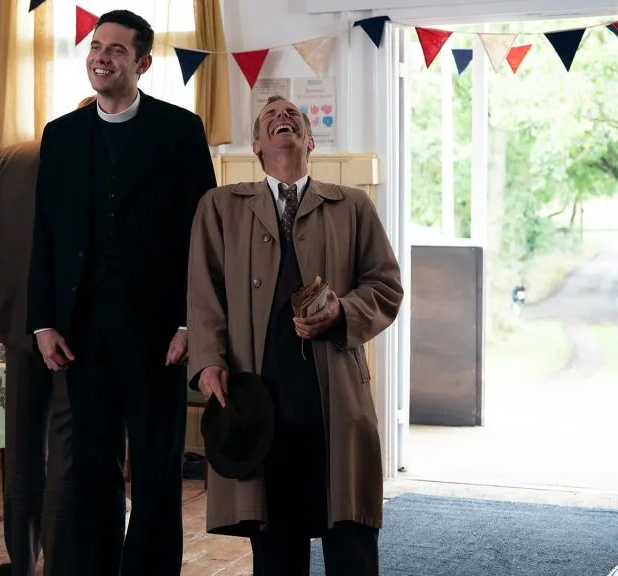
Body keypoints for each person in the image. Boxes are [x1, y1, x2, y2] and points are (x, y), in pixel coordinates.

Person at [26, 9, 216, 576]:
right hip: (81, 333)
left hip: (160, 334)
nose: (101, 57)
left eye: (115, 49)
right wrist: (43, 322)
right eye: (95, 46)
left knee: (157, 468)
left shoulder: (180, 130)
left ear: (143, 63)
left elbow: (202, 237)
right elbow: (45, 235)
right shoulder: (60, 136)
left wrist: (191, 323)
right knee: (89, 469)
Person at [185, 96, 403, 575]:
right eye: (270, 117)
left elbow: (385, 286)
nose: (282, 117)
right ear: (256, 146)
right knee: (276, 544)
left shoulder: (353, 205)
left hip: (334, 397)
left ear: (310, 141)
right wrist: (208, 360)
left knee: (351, 534)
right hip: (259, 398)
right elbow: (203, 295)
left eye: (292, 116)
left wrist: (342, 311)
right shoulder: (219, 207)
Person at [0, 95, 96, 576]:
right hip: (76, 329)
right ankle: (60, 565)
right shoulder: (99, 158)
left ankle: (21, 564)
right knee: (65, 453)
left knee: (22, 450)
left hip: (17, 322)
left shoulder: (13, 157)